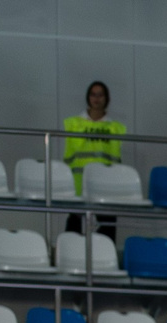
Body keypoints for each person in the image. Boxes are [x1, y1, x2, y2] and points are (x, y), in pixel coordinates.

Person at [62, 80, 122, 237]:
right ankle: (69, 257)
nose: (97, 98)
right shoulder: (73, 124)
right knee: (74, 227)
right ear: (88, 97)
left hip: (105, 185)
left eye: (101, 95)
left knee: (108, 226)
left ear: (106, 98)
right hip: (79, 184)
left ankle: (105, 258)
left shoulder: (115, 128)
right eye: (93, 94)